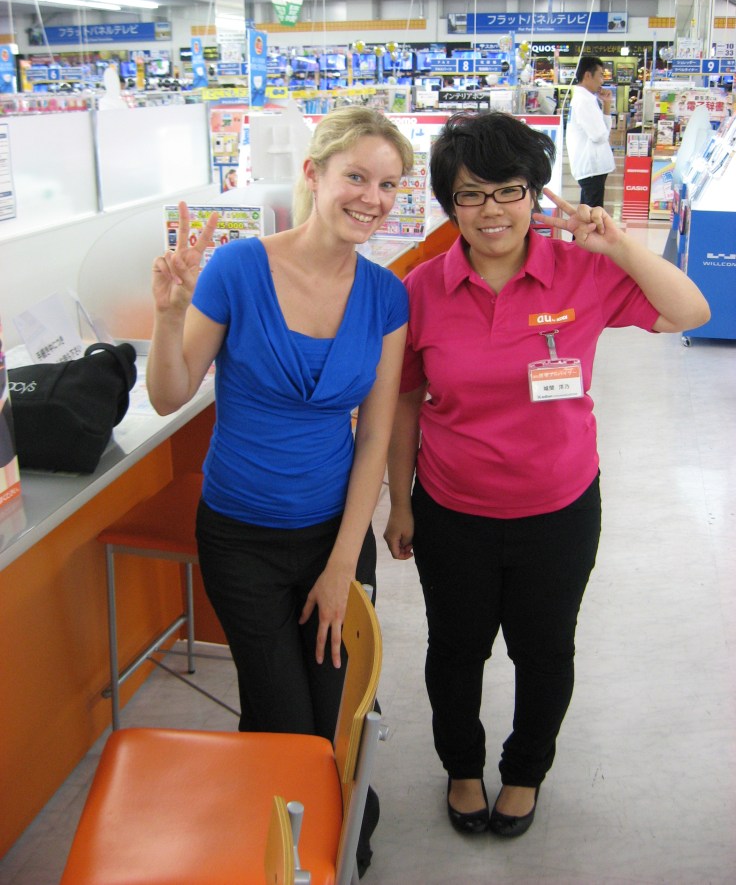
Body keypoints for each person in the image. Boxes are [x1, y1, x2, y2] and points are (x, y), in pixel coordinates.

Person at [383, 111, 709, 841]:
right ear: (449, 203)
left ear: (535, 194)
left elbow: (691, 309)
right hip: (452, 509)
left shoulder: (583, 272)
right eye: (471, 194)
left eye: (510, 190)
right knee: (455, 648)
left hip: (559, 510)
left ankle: (526, 770)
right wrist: (399, 502)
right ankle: (462, 766)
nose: (492, 210)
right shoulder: (422, 289)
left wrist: (620, 244)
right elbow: (404, 404)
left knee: (544, 648)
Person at [147, 105, 414, 874]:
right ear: (314, 175)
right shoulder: (238, 269)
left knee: (333, 706)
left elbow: (373, 438)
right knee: (284, 715)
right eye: (356, 176)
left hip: (334, 535)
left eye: (388, 184)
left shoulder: (385, 295)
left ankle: (310, 830)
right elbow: (169, 395)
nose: (372, 196)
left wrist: (341, 566)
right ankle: (287, 847)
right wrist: (169, 319)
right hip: (241, 539)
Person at [565, 55, 615, 208]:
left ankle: (579, 234)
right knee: (592, 216)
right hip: (592, 167)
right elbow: (599, 135)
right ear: (587, 75)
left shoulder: (587, 100)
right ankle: (581, 234)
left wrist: (606, 105)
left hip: (593, 168)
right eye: (600, 75)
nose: (602, 80)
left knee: (587, 215)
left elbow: (602, 131)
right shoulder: (584, 101)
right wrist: (603, 133)